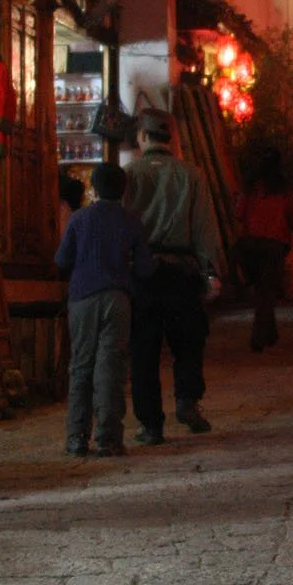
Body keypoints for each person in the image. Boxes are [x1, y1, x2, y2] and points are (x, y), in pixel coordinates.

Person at [123, 109, 222, 444]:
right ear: (170, 137)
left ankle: (150, 424)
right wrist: (211, 272)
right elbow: (204, 227)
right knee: (189, 340)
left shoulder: (129, 174)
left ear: (141, 137)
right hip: (181, 270)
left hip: (142, 271)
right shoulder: (191, 174)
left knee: (143, 348)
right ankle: (187, 401)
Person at [54, 163, 154, 457]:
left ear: (93, 189)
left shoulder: (79, 219)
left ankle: (76, 438)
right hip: (117, 299)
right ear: (123, 190)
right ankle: (108, 438)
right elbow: (146, 268)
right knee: (111, 367)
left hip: (82, 298)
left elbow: (61, 260)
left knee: (81, 366)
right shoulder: (131, 221)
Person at [234, 147, 293, 352]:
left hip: (250, 244)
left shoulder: (251, 187)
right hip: (274, 245)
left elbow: (238, 213)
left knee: (262, 291)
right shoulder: (284, 189)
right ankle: (259, 336)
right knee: (267, 292)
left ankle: (269, 333)